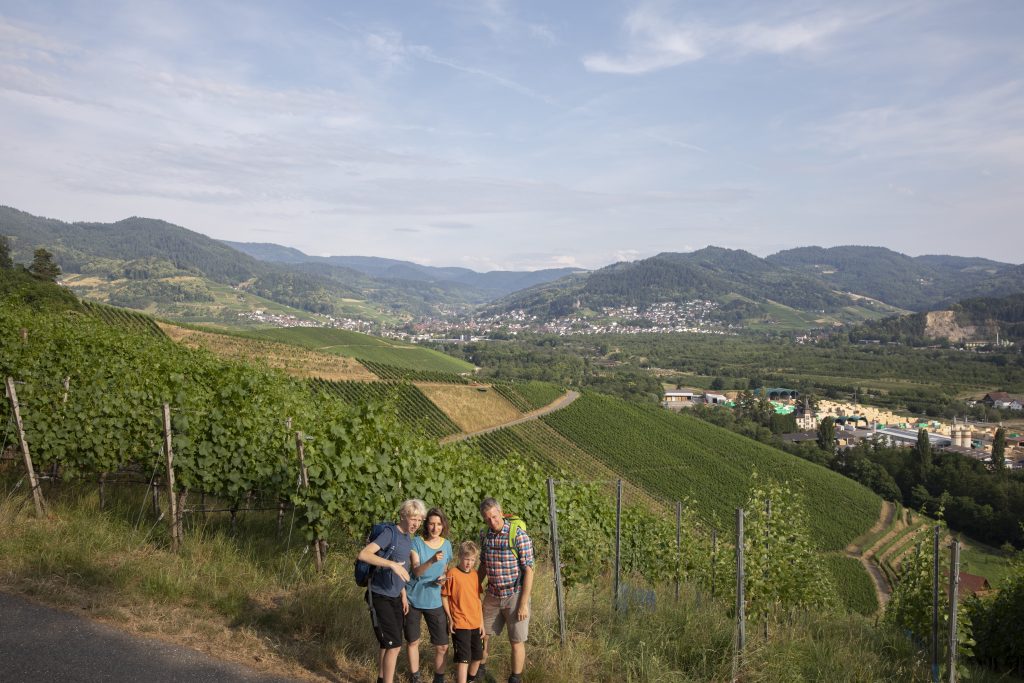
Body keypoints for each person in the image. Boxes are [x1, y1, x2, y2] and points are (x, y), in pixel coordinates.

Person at [357, 499, 427, 683]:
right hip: (380, 595)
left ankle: (382, 679)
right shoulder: (390, 533)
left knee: (389, 644)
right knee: (394, 645)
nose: (416, 524)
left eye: (419, 520)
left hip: (395, 596)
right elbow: (364, 554)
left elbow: (402, 569)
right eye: (413, 518)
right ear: (403, 515)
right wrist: (391, 565)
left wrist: (403, 594)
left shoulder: (407, 538)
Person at [478, 497, 534, 683]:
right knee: (482, 634)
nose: (492, 522)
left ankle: (515, 678)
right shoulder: (485, 535)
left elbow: (529, 571)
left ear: (501, 513)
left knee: (516, 640)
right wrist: (476, 587)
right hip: (493, 594)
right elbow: (484, 565)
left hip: (515, 594)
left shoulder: (518, 535)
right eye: (488, 519)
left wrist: (523, 604)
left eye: (494, 516)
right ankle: (480, 670)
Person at [405, 507, 453, 683]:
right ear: (426, 525)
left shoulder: (447, 545)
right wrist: (432, 560)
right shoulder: (416, 542)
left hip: (435, 600)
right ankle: (415, 677)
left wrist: (443, 579)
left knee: (442, 645)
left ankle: (439, 678)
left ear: (443, 525)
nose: (435, 528)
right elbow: (416, 571)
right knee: (413, 641)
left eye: (439, 524)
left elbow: (445, 570)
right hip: (413, 599)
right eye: (432, 524)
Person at [442, 541, 486, 683]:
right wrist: (450, 619)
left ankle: (470, 679)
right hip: (460, 623)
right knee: (464, 658)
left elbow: (477, 599)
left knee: (478, 656)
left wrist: (482, 623)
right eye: (467, 559)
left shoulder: (474, 574)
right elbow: (444, 597)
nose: (469, 563)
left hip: (475, 622)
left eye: (473, 560)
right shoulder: (452, 573)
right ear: (460, 556)